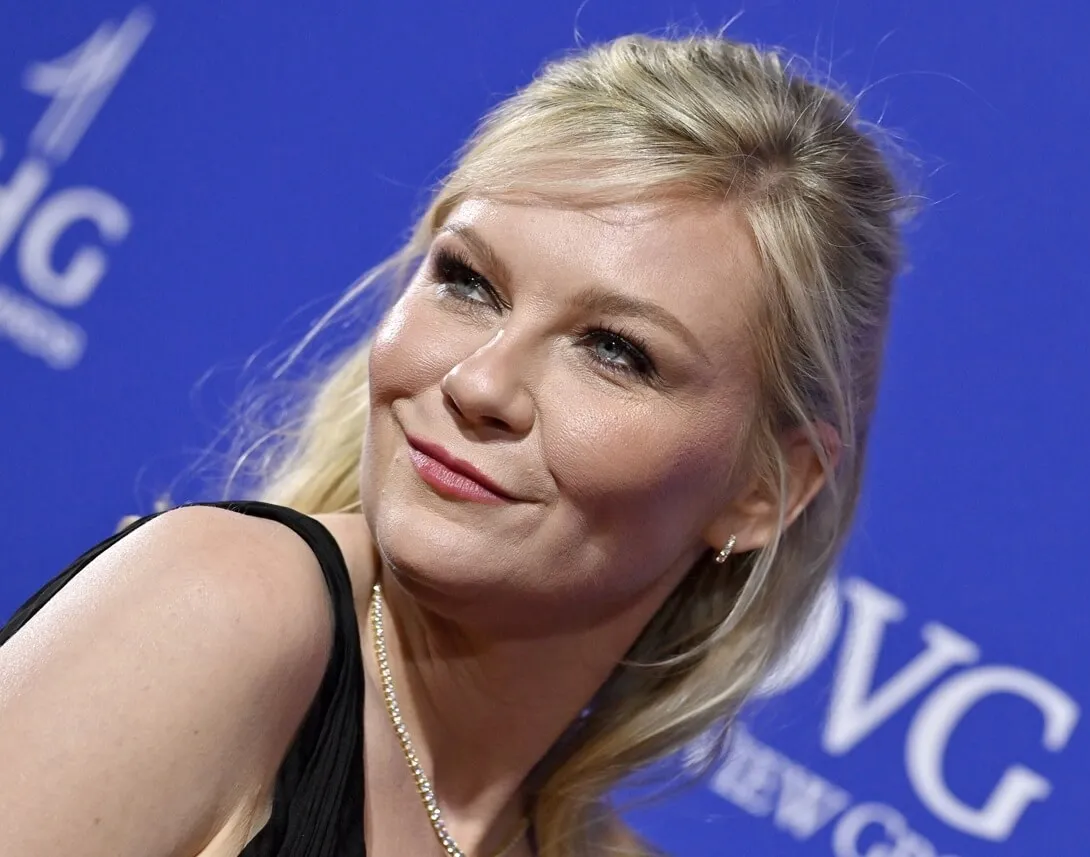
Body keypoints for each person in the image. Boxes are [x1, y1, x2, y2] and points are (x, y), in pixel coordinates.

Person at [0, 32, 911, 857]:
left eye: (615, 350)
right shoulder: (215, 609)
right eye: (470, 282)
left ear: (766, 489)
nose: (479, 383)